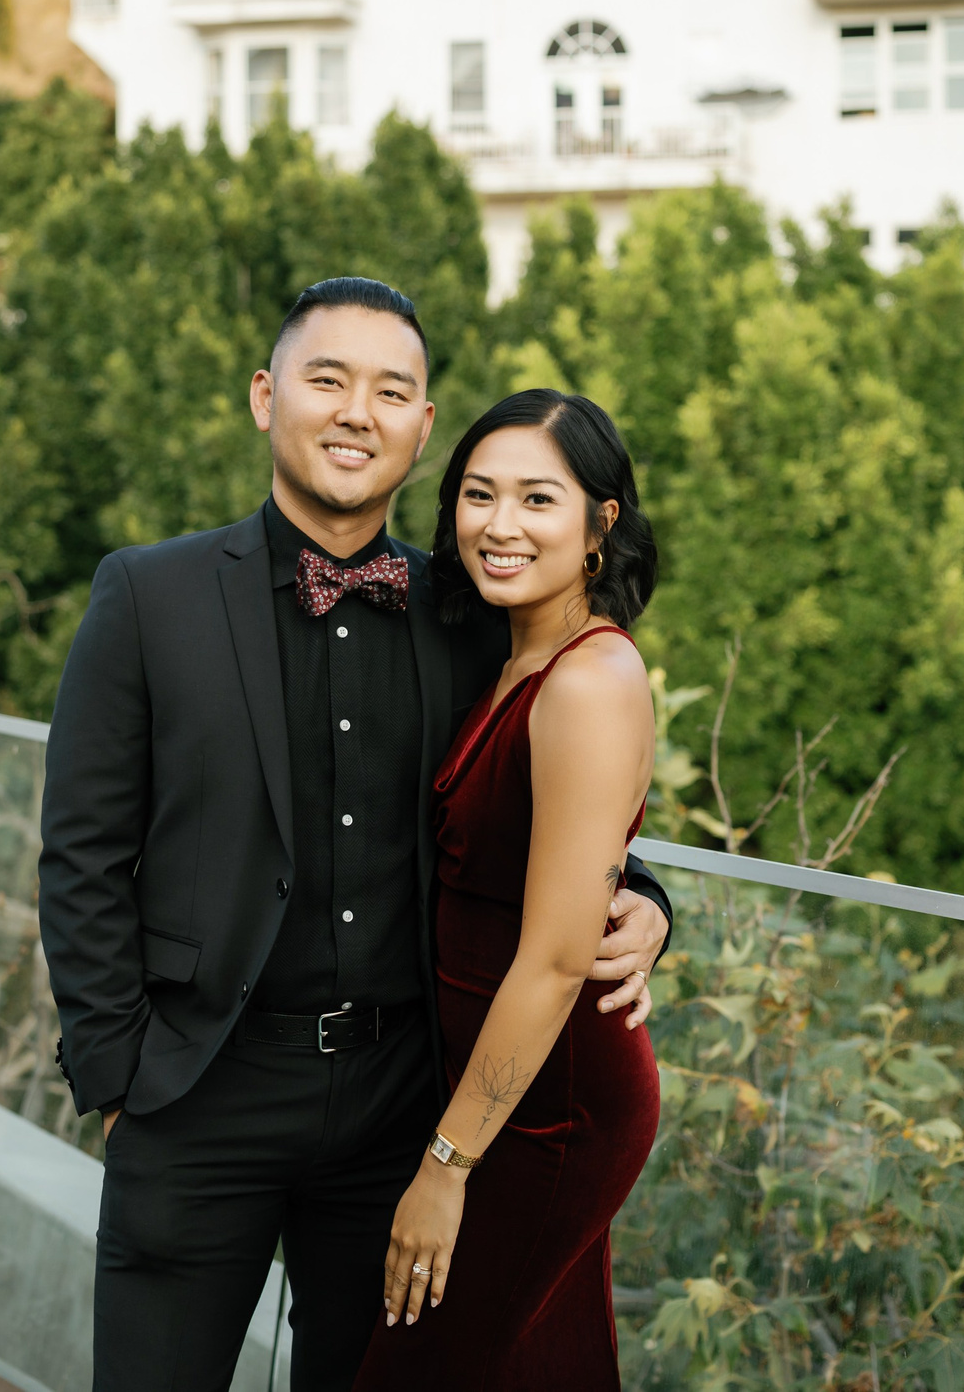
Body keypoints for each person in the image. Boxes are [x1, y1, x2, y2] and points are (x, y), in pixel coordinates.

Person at [38, 278, 676, 1392]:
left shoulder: (472, 611)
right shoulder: (146, 596)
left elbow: (561, 799)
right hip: (197, 1097)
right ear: (264, 395)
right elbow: (80, 854)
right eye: (326, 379)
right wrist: (118, 1077)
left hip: (400, 1108)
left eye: (391, 391)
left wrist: (656, 903)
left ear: (421, 427)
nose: (355, 412)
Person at [352, 388, 663, 1390]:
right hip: (495, 1088)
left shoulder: (588, 680)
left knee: (414, 1370)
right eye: (478, 495)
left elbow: (560, 953)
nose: (499, 524)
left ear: (597, 523)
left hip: (551, 1109)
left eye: (537, 499)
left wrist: (445, 1169)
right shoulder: (506, 654)